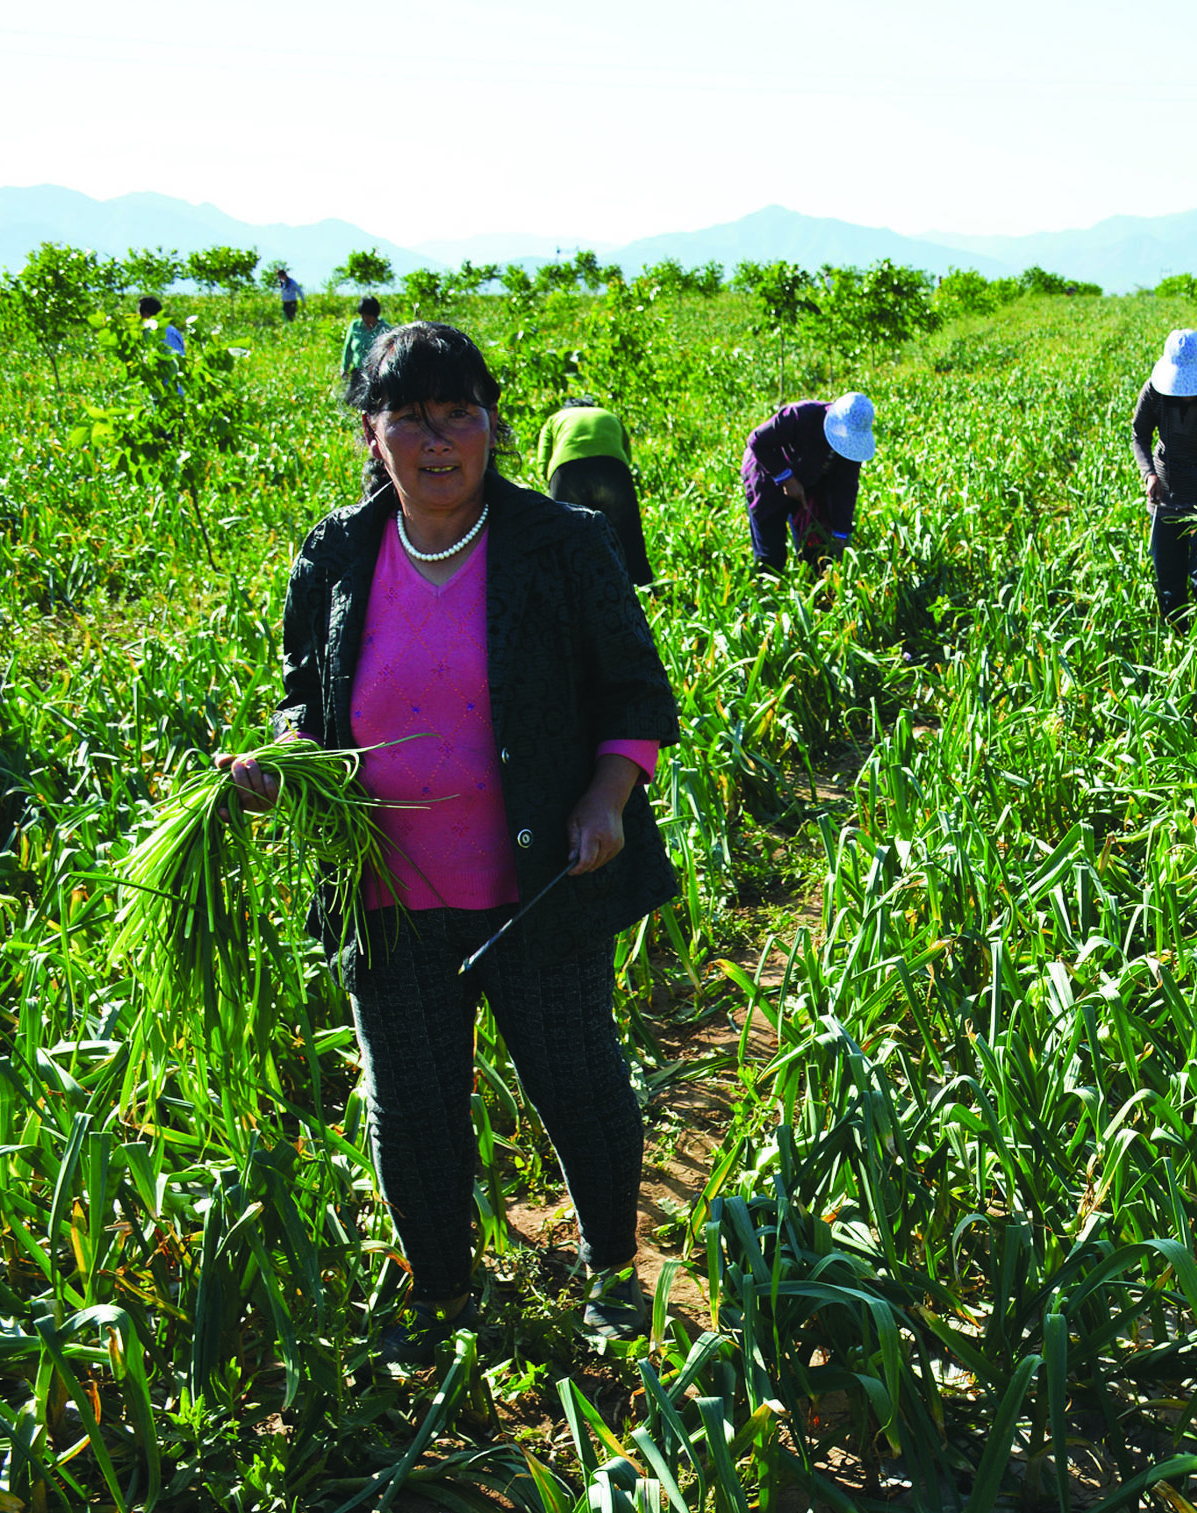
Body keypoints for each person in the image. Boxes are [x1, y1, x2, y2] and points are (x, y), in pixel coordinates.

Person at [224, 322, 680, 1368]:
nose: (439, 441)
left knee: (578, 1082)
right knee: (412, 1105)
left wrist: (606, 796)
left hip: (537, 885)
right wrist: (282, 758)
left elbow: (634, 693)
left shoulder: (560, 544)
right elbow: (307, 695)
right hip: (385, 892)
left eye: (461, 414)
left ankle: (612, 1270)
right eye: (410, 418)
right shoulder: (338, 552)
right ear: (369, 435)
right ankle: (440, 1290)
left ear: (493, 426)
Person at [1130, 328, 1197, 627]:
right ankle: (1175, 635)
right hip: (1166, 496)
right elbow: (1140, 435)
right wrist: (1149, 474)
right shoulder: (1153, 392)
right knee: (1168, 578)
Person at [742, 392, 874, 572]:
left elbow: (846, 486)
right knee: (772, 556)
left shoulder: (852, 445)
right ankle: (766, 588)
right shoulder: (801, 416)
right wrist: (786, 477)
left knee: (817, 550)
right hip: (767, 476)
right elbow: (757, 440)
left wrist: (840, 532)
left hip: (811, 480)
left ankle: (814, 584)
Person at [539, 395, 652, 586]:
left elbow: (543, 462)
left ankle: (571, 590)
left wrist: (553, 483)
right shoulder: (609, 415)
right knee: (628, 534)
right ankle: (644, 588)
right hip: (612, 470)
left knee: (565, 539)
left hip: (567, 473)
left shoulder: (555, 419)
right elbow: (626, 455)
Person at [341, 296, 390, 380]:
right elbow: (348, 348)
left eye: (368, 316)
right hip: (358, 372)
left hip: (377, 374)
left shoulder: (386, 329)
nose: (365, 319)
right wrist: (344, 368)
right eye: (362, 316)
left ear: (375, 315)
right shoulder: (355, 326)